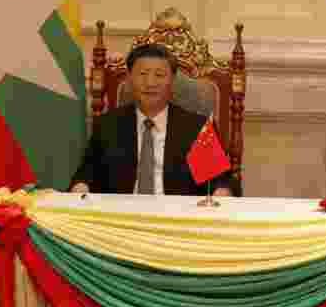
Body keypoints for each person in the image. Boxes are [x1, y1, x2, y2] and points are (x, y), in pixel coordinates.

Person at [70, 43, 237, 197]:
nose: (150, 83)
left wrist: (221, 190)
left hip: (178, 218)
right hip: (120, 219)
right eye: (142, 74)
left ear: (172, 80)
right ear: (129, 78)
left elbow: (219, 180)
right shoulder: (108, 126)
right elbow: (86, 175)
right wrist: (81, 185)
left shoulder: (195, 128)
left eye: (159, 75)